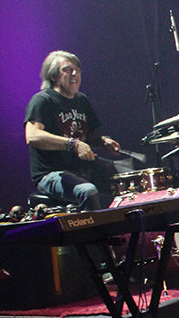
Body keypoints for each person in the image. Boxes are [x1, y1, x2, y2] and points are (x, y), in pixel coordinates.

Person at [24, 51, 120, 209]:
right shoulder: (42, 100)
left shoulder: (81, 100)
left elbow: (88, 137)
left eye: (78, 70)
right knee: (88, 191)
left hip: (81, 168)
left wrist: (104, 142)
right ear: (53, 76)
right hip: (51, 173)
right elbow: (32, 136)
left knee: (124, 181)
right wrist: (72, 144)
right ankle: (95, 234)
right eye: (67, 70)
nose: (75, 74)